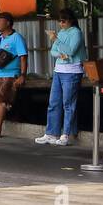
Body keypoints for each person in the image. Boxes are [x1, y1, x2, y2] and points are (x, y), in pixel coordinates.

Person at [35, 9, 86, 146]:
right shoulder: (62, 33)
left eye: (63, 21)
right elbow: (53, 51)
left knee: (68, 103)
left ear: (71, 20)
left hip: (72, 71)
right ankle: (51, 133)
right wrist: (60, 53)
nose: (61, 23)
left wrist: (56, 40)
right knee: (54, 102)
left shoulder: (76, 33)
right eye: (59, 21)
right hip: (59, 69)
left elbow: (70, 50)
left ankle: (65, 134)